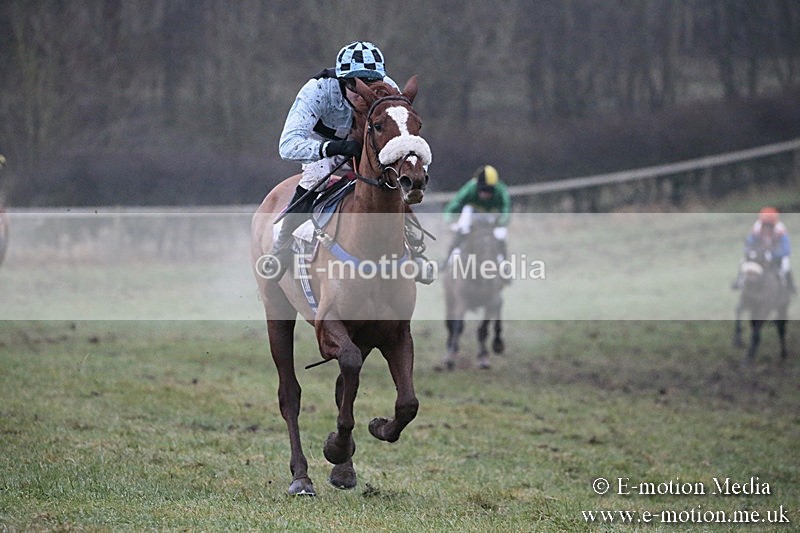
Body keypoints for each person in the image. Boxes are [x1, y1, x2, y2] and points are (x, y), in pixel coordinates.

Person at [261, 41, 399, 278]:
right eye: (355, 85)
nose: (364, 92)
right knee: (316, 177)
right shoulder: (317, 90)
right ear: (341, 80)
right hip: (322, 145)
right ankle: (281, 247)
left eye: (370, 84)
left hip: (367, 147)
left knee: (391, 179)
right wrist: (336, 147)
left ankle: (414, 249)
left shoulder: (389, 89)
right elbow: (287, 146)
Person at [444, 164, 512, 263]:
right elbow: (453, 205)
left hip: (493, 217)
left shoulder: (500, 190)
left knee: (500, 236)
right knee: (461, 232)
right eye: (482, 189)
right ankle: (449, 261)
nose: (485, 193)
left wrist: (501, 222)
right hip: (473, 214)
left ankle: (504, 264)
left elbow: (506, 210)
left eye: (489, 190)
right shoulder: (470, 188)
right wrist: (451, 221)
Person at [733, 207, 795, 293]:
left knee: (785, 265)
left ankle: (790, 286)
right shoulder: (757, 227)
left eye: (769, 224)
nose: (767, 227)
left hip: (776, 254)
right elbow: (749, 242)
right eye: (765, 224)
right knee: (743, 262)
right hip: (760, 253)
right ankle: (739, 282)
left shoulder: (780, 229)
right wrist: (751, 251)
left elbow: (786, 249)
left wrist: (774, 254)